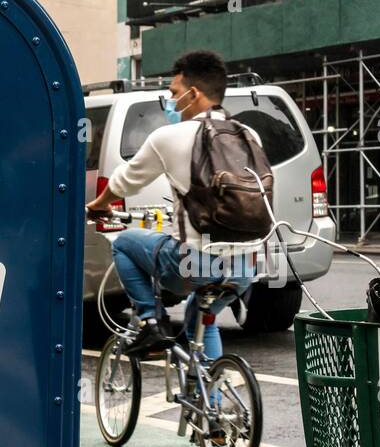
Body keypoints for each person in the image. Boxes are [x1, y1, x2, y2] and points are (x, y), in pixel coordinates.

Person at [86, 49, 262, 358]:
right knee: (202, 320)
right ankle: (211, 401)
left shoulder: (169, 136)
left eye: (173, 93)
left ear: (192, 94)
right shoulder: (248, 135)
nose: (170, 100)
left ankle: (151, 324)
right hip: (247, 265)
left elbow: (123, 183)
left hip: (196, 263)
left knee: (124, 243)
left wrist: (98, 205)